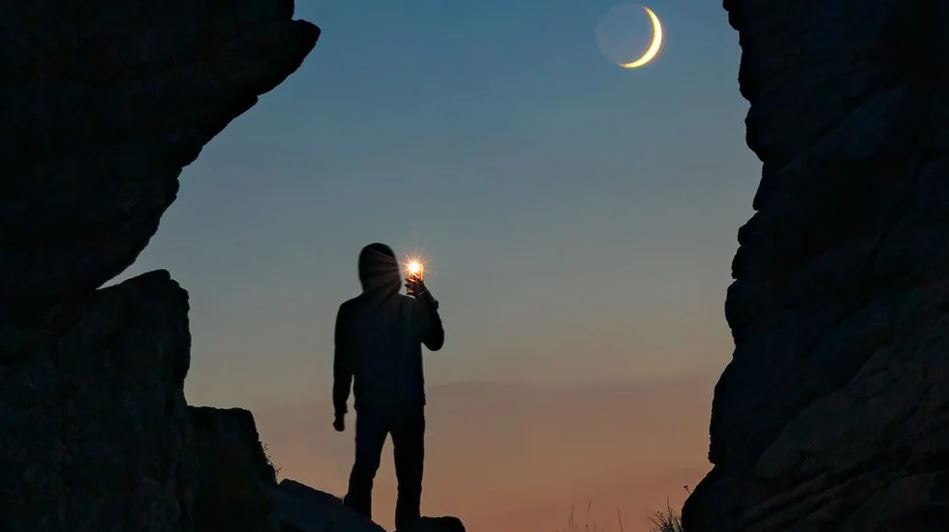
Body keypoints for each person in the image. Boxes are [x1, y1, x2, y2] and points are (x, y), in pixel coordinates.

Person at [332, 243, 445, 529]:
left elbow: (435, 340)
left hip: (402, 404)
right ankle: (360, 525)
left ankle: (399, 526)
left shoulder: (406, 307)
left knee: (407, 476)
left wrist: (424, 297)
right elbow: (344, 361)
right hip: (380, 404)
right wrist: (339, 404)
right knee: (370, 472)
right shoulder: (353, 311)